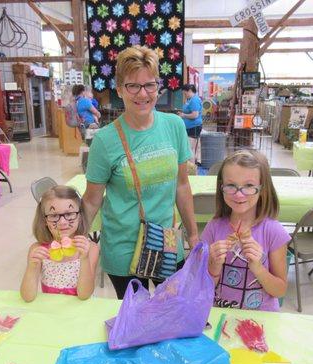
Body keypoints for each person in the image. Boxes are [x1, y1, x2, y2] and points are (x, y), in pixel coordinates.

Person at [82, 46, 199, 299]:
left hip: (167, 242)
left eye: (150, 85)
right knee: (136, 320)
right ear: (120, 88)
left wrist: (192, 233)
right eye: (133, 86)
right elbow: (91, 201)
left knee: (173, 309)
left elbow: (181, 185)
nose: (142, 94)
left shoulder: (174, 126)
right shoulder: (105, 140)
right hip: (123, 248)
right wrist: (73, 240)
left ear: (158, 86)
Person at [201, 150, 290, 311]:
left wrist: (258, 267)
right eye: (231, 185)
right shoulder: (213, 228)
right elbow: (201, 288)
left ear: (262, 189)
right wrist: (213, 267)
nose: (239, 194)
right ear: (221, 187)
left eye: (249, 186)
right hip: (220, 316)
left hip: (262, 320)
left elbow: (280, 290)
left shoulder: (274, 232)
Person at [20, 185, 99, 302]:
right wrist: (32, 267)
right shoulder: (38, 249)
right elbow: (27, 297)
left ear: (80, 216)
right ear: (44, 220)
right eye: (53, 215)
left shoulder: (90, 248)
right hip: (52, 312)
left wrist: (84, 259)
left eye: (69, 214)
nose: (62, 222)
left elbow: (84, 295)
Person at [178, 84, 203, 164]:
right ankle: (191, 166)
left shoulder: (194, 100)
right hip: (189, 127)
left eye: (185, 93)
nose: (184, 95)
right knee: (189, 148)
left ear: (189, 91)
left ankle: (191, 167)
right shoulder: (190, 100)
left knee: (190, 149)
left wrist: (183, 115)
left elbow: (195, 115)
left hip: (194, 127)